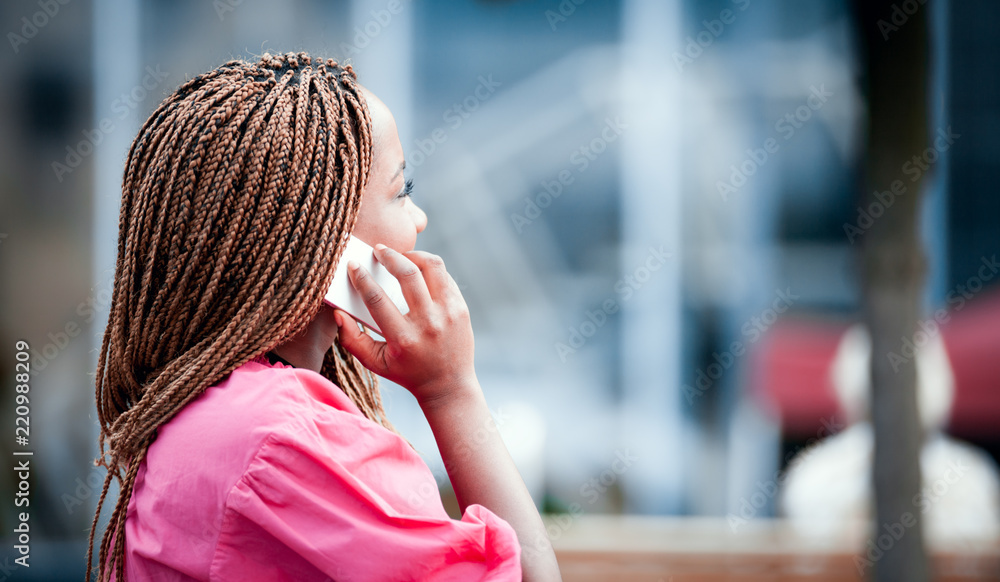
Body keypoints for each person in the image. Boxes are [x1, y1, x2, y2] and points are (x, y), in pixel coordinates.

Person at [87, 51, 562, 581]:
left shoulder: (207, 414)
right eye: (402, 192)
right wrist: (452, 392)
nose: (420, 218)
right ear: (323, 245)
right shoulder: (285, 438)